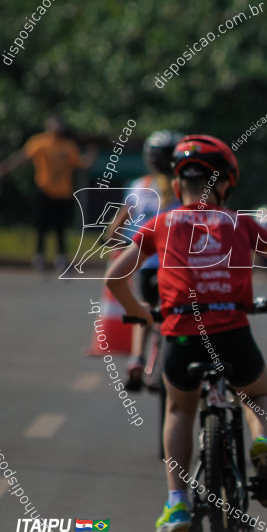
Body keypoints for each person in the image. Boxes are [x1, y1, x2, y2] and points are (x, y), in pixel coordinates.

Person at [105, 135, 267, 532]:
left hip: (180, 333)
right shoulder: (241, 223)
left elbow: (115, 276)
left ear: (178, 185)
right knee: (257, 394)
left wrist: (141, 314)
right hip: (232, 330)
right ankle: (261, 441)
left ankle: (177, 504)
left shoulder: (160, 223)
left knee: (180, 410)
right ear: (227, 183)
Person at [102, 130, 184, 390]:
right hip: (177, 266)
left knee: (144, 309)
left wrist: (109, 239)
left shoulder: (138, 186)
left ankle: (136, 359)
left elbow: (117, 225)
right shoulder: (185, 189)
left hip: (146, 264)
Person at [0, 114, 95, 272]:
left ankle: (61, 258)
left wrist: (91, 156)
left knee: (60, 227)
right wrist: (5, 167)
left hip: (63, 192)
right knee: (41, 225)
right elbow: (22, 157)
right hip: (45, 189)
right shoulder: (39, 142)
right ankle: (39, 256)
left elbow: (81, 164)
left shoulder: (68, 146)